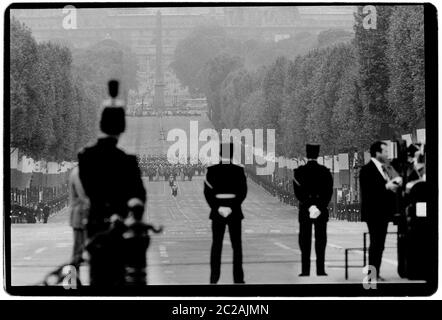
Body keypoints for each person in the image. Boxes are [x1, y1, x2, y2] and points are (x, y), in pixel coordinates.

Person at [78, 89, 147, 287]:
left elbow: (88, 190)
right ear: (121, 128)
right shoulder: (128, 161)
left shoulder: (85, 157)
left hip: (95, 226)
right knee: (120, 278)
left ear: (101, 125)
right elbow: (139, 196)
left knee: (96, 277)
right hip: (120, 227)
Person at [204, 142, 248, 284]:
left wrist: (217, 207)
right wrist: (232, 207)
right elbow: (242, 192)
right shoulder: (239, 170)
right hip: (234, 211)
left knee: (216, 245)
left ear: (220, 153)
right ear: (232, 153)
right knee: (237, 246)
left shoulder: (212, 170)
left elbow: (208, 193)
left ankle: (214, 278)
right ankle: (238, 278)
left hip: (217, 211)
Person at [359, 141, 402, 281]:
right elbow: (368, 192)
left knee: (380, 244)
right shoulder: (366, 170)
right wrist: (386, 187)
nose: (387, 154)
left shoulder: (386, 168)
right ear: (377, 153)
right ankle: (372, 275)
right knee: (375, 243)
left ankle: (375, 273)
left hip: (384, 212)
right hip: (373, 212)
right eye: (385, 152)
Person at [293, 144, 333, 276]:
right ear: (317, 154)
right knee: (321, 240)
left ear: (306, 154)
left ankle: (305, 270)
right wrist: (319, 206)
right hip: (321, 210)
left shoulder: (299, 172)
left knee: (305, 240)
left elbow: (298, 193)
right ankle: (320, 270)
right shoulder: (325, 171)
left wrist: (309, 205)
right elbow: (328, 192)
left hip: (305, 209)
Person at [122, 198, 162, 286]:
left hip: (134, 247)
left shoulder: (129, 224)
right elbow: (155, 230)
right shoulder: (141, 225)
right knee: (139, 267)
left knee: (133, 267)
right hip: (139, 247)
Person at [68, 166, 89, 267]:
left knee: (78, 249)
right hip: (81, 213)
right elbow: (83, 194)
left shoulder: (77, 171)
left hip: (80, 213)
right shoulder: (79, 173)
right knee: (78, 250)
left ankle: (72, 280)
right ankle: (71, 280)